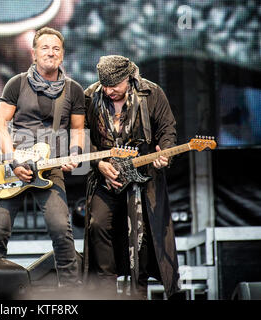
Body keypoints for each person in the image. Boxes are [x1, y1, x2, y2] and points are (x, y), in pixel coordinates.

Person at [0, 27, 85, 287]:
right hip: (12, 165)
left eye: (56, 49)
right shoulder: (16, 83)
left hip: (49, 167)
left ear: (62, 55)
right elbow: (0, 125)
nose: (50, 53)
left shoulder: (73, 90)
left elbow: (76, 130)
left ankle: (71, 293)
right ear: (33, 53)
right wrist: (13, 162)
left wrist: (74, 154)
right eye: (45, 48)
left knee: (62, 231)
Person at [83, 55, 180, 299]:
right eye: (104, 85)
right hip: (105, 177)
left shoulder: (151, 93)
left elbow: (167, 129)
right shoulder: (91, 96)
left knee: (142, 238)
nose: (109, 91)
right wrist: (99, 163)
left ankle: (138, 293)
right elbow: (80, 138)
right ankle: (106, 292)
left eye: (114, 85)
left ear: (128, 78)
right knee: (97, 225)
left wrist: (164, 153)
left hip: (142, 177)